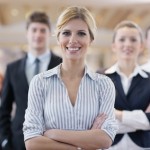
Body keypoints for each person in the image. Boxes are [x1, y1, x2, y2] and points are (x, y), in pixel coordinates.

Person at [23, 6, 118, 150]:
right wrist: (84, 143)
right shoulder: (40, 82)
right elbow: (32, 142)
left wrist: (52, 134)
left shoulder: (104, 84)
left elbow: (105, 139)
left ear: (91, 39)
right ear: (58, 37)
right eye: (66, 33)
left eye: (81, 33)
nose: (73, 40)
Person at [0, 11, 62, 150]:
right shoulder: (12, 69)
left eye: (42, 30)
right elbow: (4, 109)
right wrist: (4, 140)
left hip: (54, 140)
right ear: (27, 33)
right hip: (17, 141)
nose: (38, 35)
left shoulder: (62, 65)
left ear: (49, 33)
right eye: (34, 30)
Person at [104, 20, 150, 150]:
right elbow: (98, 122)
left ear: (141, 46)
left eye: (133, 40)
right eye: (122, 39)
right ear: (114, 46)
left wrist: (117, 114)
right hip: (110, 146)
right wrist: (142, 121)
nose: (127, 44)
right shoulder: (101, 78)